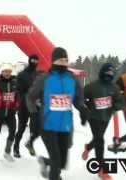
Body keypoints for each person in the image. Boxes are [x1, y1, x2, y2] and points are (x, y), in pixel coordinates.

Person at [26, 47, 90, 180]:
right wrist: (34, 113)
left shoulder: (72, 79)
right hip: (48, 125)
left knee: (61, 163)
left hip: (65, 126)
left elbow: (78, 99)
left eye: (66, 60)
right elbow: (30, 97)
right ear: (54, 61)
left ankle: (45, 161)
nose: (63, 63)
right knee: (56, 163)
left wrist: (83, 109)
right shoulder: (44, 78)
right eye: (60, 60)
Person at [82, 63, 125, 180]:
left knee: (98, 138)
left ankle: (88, 147)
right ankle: (101, 170)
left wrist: (113, 107)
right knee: (100, 140)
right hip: (94, 117)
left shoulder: (114, 88)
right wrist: (87, 105)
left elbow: (121, 102)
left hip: (106, 118)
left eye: (111, 73)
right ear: (102, 72)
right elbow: (81, 98)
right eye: (107, 72)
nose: (108, 75)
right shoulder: (91, 86)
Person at [13, 54, 41, 158]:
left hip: (36, 106)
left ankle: (30, 143)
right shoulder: (21, 75)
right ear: (29, 60)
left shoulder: (38, 75)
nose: (34, 62)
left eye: (36, 60)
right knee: (21, 128)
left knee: (36, 128)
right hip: (24, 106)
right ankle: (16, 148)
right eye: (33, 60)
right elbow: (19, 92)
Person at [0, 64, 19, 162]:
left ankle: (7, 152)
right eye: (5, 71)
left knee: (13, 131)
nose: (7, 73)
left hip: (11, 112)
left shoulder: (15, 83)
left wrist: (16, 106)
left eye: (9, 71)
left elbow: (17, 96)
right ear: (1, 72)